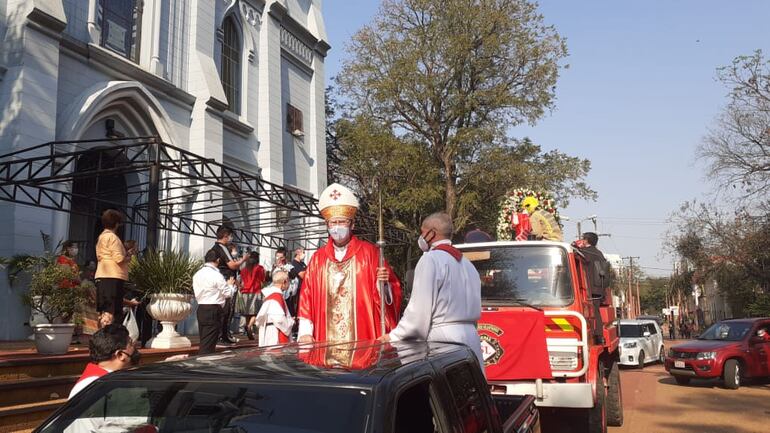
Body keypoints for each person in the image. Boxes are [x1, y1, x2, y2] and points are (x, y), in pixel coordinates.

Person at [298, 183, 402, 343]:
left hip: (363, 336)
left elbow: (392, 291)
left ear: (352, 224)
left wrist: (384, 285)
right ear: (327, 225)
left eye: (342, 222)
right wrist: (305, 332)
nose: (337, 227)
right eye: (333, 223)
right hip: (325, 338)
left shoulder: (370, 253)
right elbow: (307, 295)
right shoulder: (318, 259)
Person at [379, 213, 484, 368]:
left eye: (422, 232)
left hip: (444, 341)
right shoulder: (468, 264)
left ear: (432, 233)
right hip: (471, 338)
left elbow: (419, 310)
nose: (421, 237)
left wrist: (394, 336)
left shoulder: (431, 259)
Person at [68, 324, 140, 399]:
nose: (135, 347)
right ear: (120, 355)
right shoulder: (99, 385)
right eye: (131, 344)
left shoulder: (103, 380)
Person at [95, 209, 138, 328]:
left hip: (102, 274)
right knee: (111, 311)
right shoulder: (113, 237)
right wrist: (129, 256)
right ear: (116, 223)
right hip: (112, 276)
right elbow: (119, 258)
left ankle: (102, 335)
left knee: (104, 311)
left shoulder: (101, 237)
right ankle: (109, 335)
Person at [193, 249, 237, 355]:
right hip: (213, 309)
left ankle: (203, 360)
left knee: (204, 340)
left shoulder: (197, 274)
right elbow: (228, 293)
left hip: (201, 308)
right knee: (209, 344)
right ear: (217, 260)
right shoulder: (216, 275)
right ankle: (204, 362)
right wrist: (230, 285)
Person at [573, 232, 610, 344]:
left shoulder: (585, 252)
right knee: (596, 312)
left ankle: (589, 335)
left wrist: (575, 245)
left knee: (586, 312)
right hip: (598, 288)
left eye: (583, 239)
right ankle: (599, 336)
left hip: (588, 288)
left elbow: (574, 255)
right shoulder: (599, 253)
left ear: (586, 240)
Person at [211, 225, 246, 344]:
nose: (231, 238)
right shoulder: (222, 248)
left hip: (222, 280)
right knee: (227, 309)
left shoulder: (215, 248)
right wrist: (243, 259)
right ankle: (223, 335)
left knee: (223, 309)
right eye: (230, 236)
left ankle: (222, 334)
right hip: (227, 280)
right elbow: (232, 265)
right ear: (225, 236)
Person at [256, 270, 295, 346]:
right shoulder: (276, 297)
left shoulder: (271, 296)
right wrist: (290, 322)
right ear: (284, 282)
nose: (289, 284)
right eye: (288, 281)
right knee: (275, 352)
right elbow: (279, 319)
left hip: (271, 330)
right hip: (274, 333)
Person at [238, 251, 266, 340]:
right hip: (255, 291)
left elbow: (242, 280)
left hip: (245, 292)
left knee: (247, 313)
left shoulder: (243, 269)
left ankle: (247, 327)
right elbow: (262, 280)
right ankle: (249, 326)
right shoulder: (260, 268)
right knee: (256, 312)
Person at [287, 247, 308, 317]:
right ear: (298, 253)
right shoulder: (295, 263)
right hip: (298, 289)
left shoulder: (302, 263)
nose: (304, 254)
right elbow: (302, 275)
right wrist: (308, 271)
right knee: (298, 306)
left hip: (304, 288)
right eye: (303, 252)